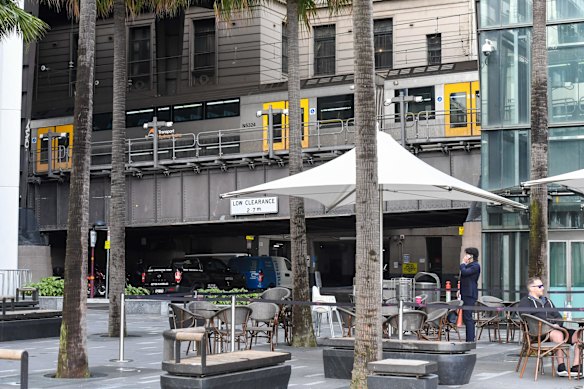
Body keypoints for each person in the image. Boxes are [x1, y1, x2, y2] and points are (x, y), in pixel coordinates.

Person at [518, 276, 581, 377]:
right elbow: (525, 316)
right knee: (557, 334)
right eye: (540, 286)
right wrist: (549, 324)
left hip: (556, 329)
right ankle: (561, 366)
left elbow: (558, 316)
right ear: (531, 288)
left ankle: (575, 367)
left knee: (580, 335)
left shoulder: (547, 301)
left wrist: (556, 325)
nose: (543, 288)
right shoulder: (526, 301)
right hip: (538, 333)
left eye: (542, 286)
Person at [459, 247, 480, 342]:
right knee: (466, 317)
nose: (465, 256)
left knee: (468, 316)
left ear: (471, 256)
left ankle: (470, 339)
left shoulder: (475, 266)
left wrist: (463, 263)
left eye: (466, 254)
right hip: (465, 292)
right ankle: (469, 337)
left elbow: (464, 272)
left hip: (470, 293)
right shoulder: (470, 265)